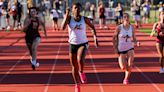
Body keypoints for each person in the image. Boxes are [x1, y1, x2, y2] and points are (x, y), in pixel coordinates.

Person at [61, 3, 99, 92]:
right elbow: (62, 28)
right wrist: (66, 15)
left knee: (80, 60)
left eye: (78, 8)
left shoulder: (84, 19)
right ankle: (77, 84)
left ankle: (81, 72)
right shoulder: (69, 18)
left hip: (83, 43)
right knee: (74, 66)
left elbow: (92, 27)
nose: (77, 9)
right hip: (72, 44)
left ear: (80, 9)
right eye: (75, 8)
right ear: (72, 9)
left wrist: (95, 38)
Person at [113, 13, 140, 85]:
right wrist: (115, 48)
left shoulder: (132, 27)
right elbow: (114, 38)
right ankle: (126, 72)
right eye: (125, 17)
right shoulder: (119, 28)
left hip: (130, 47)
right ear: (122, 19)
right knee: (123, 67)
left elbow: (134, 38)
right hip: (121, 49)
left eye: (128, 17)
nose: (126, 18)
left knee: (130, 64)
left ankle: (126, 78)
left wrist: (137, 42)